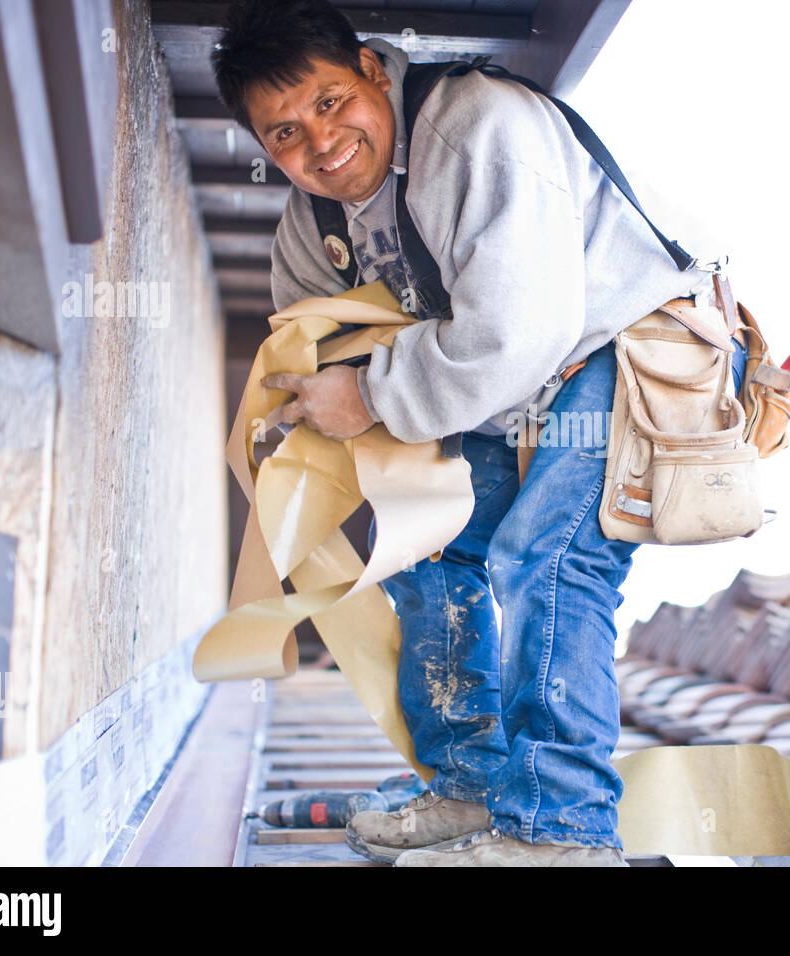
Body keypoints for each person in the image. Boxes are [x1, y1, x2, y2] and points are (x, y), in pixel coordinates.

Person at [213, 0, 735, 866]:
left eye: (332, 101)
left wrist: (372, 396)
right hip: (510, 390)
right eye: (286, 132)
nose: (321, 142)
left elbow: (519, 329)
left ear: (375, 71)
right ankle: (468, 789)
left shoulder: (475, 129)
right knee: (425, 539)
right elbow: (311, 349)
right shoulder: (311, 232)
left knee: (548, 558)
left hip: (619, 342)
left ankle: (560, 834)